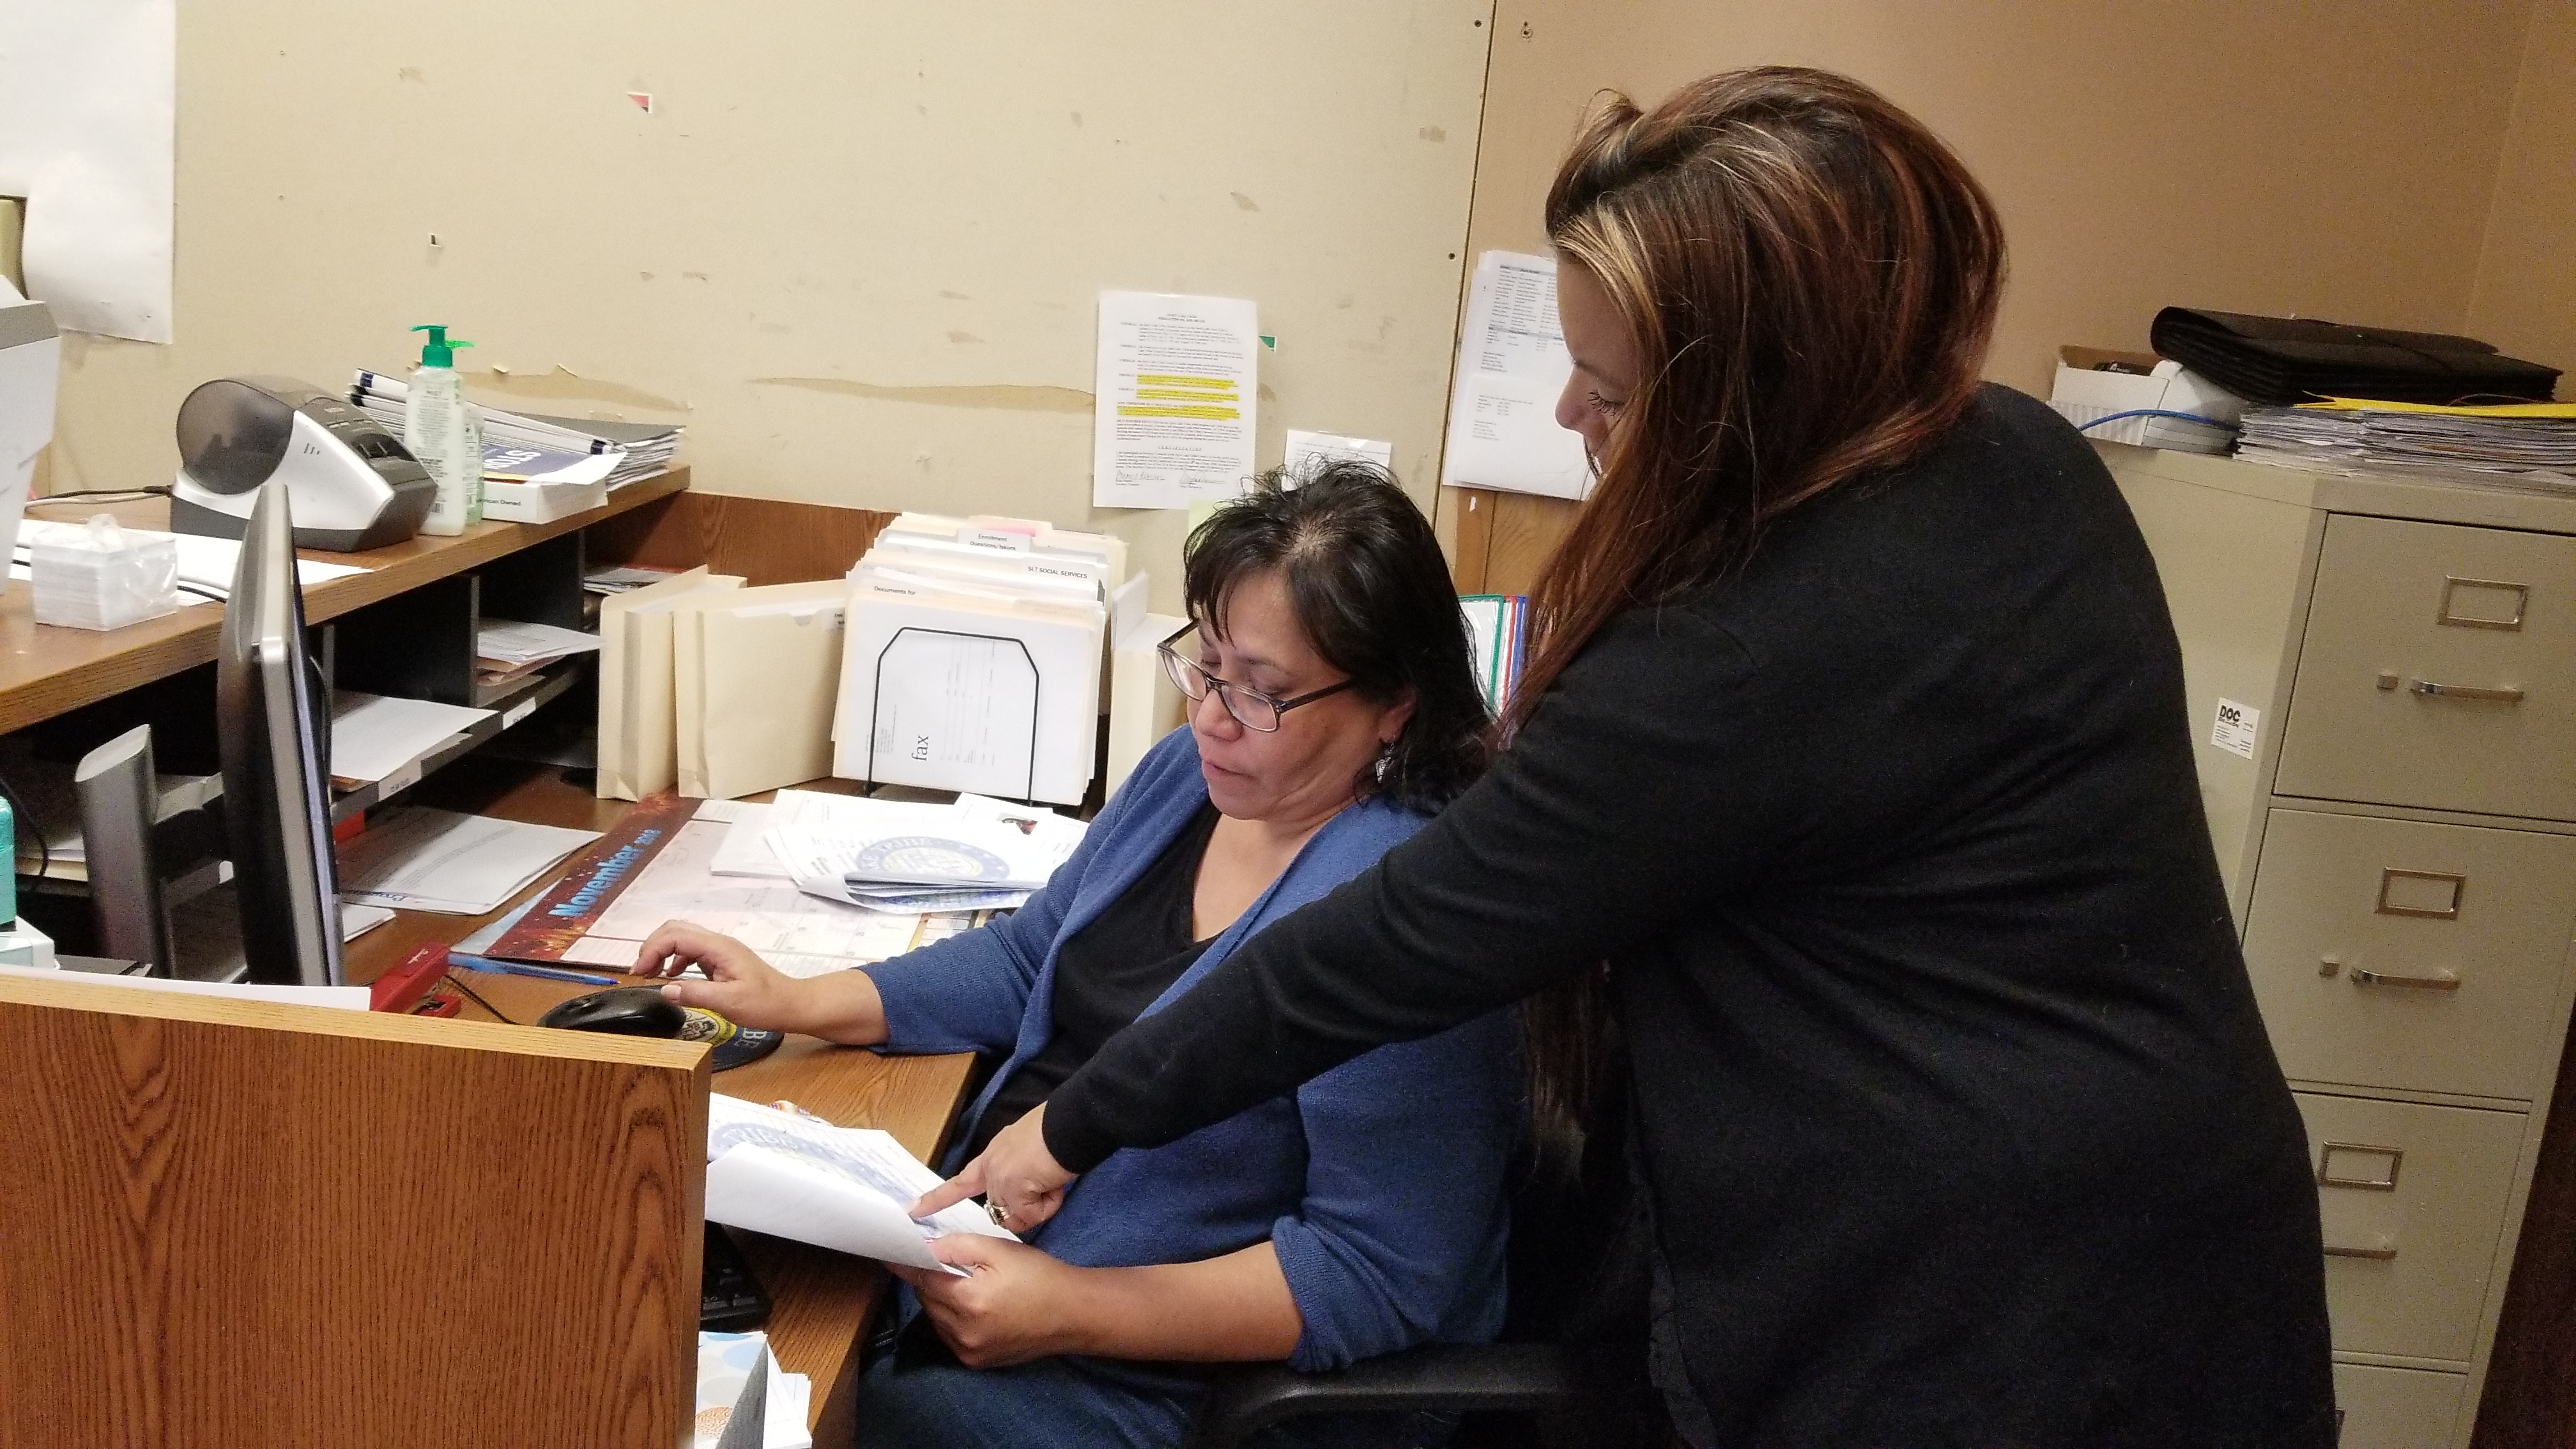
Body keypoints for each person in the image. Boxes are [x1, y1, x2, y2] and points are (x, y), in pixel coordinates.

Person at [923, 67, 2340, 1447]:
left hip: (1980, 1312)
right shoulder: (2016, 458)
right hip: (2178, 1220)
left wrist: (1075, 1127)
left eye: (1606, 386)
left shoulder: (1752, 648)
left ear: (1750, 397)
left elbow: (1390, 949)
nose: (1568, 419)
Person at [638, 461, 1518, 1448]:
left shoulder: (1412, 920)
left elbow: (1375, 1275)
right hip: (979, 1258)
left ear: (1393, 704)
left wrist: (1072, 1306)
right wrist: (799, 999)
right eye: (1207, 665)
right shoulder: (1190, 775)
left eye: (1264, 694)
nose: (1214, 717)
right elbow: (1029, 962)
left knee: (748, 1400)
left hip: (1161, 1381)